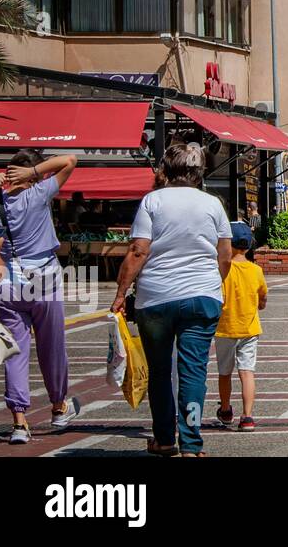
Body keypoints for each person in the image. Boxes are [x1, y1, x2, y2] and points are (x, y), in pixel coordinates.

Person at [111, 143, 232, 456]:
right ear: (198, 171)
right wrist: (212, 285)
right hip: (202, 297)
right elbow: (226, 256)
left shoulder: (153, 201)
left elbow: (138, 250)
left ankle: (165, 439)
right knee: (193, 372)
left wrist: (121, 293)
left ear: (166, 169)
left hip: (156, 298)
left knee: (160, 371)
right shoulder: (213, 204)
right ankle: (191, 444)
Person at [0, 152, 81, 444]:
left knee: (13, 354)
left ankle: (19, 423)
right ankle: (58, 407)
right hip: (44, 281)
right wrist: (32, 172)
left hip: (6, 285)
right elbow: (69, 160)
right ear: (33, 172)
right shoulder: (40, 192)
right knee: (53, 347)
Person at [214, 222, 268, 432]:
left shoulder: (222, 270)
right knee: (247, 372)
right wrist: (258, 305)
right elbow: (262, 298)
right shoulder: (256, 270)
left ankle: (226, 410)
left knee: (224, 372)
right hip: (249, 328)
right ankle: (247, 417)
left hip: (224, 328)